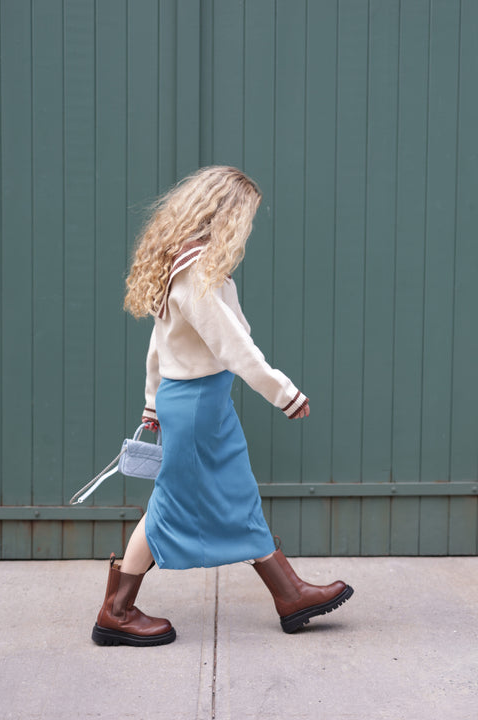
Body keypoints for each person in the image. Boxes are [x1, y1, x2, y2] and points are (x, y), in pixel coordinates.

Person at [92, 166, 353, 647]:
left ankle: (289, 594)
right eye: (246, 217)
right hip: (195, 405)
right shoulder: (196, 273)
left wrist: (152, 402)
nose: (247, 227)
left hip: (198, 403)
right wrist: (284, 393)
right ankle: (117, 610)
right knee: (170, 502)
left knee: (236, 493)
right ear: (227, 215)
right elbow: (234, 346)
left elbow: (158, 344)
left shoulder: (185, 265)